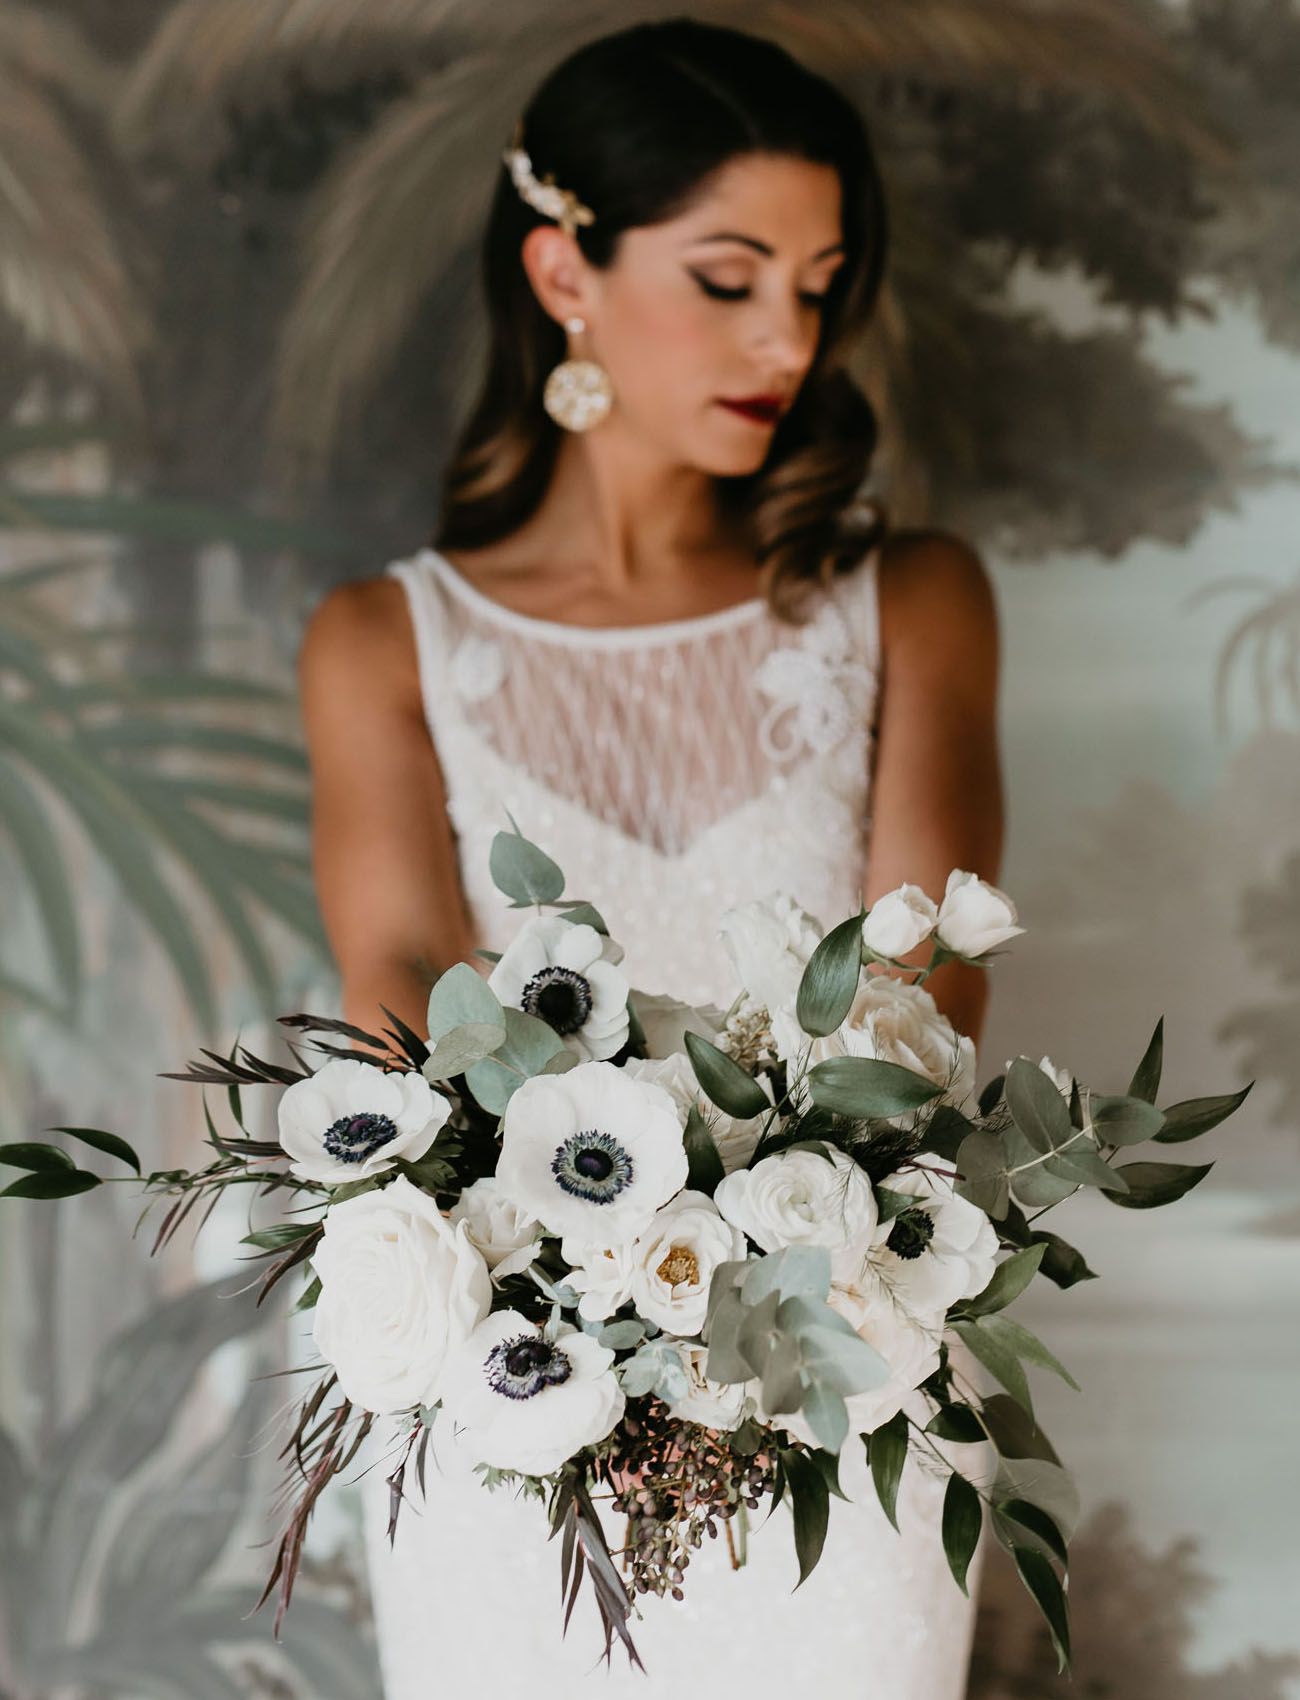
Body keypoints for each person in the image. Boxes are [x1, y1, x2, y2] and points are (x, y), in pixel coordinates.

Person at [298, 19, 1003, 1697]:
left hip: (852, 1391)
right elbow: (399, 1001)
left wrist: (754, 1277)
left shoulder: (912, 600)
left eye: (820, 284)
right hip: (515, 1406)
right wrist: (593, 1287)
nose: (790, 336)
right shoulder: (382, 643)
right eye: (731, 275)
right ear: (565, 271)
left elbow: (927, 988)